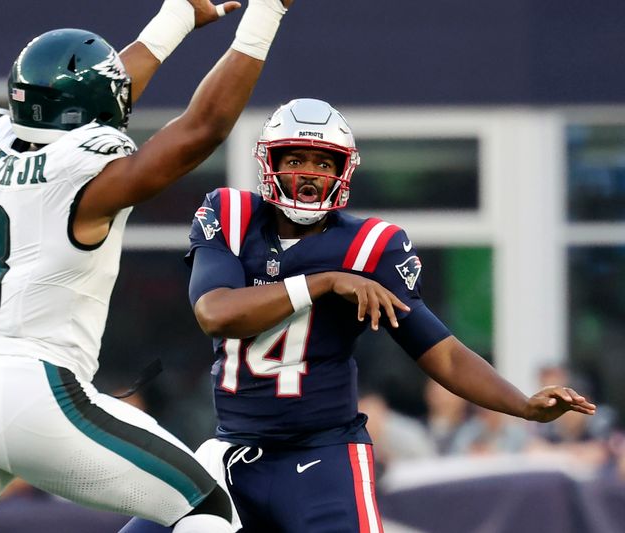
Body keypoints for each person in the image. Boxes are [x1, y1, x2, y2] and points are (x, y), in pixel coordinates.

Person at [0, 1, 297, 532]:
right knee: (207, 507)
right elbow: (204, 127)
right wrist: (266, 13)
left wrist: (176, 17)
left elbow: (102, 93)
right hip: (37, 394)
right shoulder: (86, 177)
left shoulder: (3, 137)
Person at [121, 98, 598, 533]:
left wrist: (521, 404)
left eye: (323, 162)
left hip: (323, 456)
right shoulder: (231, 216)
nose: (308, 173)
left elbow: (440, 352)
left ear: (343, 171)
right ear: (270, 164)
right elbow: (215, 313)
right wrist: (325, 282)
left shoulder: (371, 247)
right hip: (231, 455)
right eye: (295, 159)